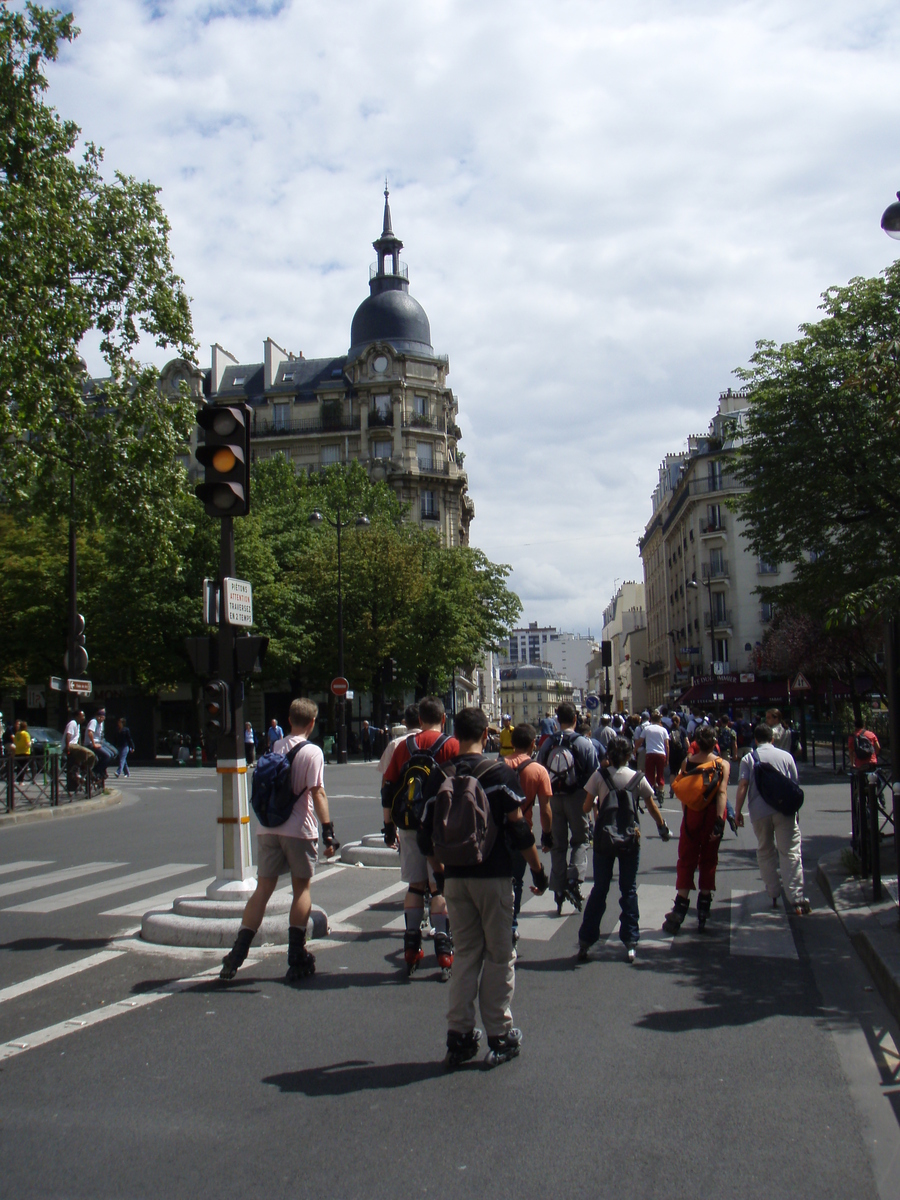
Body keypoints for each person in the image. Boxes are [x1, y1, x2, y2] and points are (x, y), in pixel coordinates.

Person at [418, 706, 549, 1068]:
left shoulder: (438, 776)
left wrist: (441, 876)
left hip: (456, 878)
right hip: (493, 875)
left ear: (456, 735)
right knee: (500, 954)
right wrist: (537, 870)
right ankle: (499, 1032)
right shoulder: (497, 774)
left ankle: (459, 1034)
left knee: (466, 955)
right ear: (486, 735)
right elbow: (519, 829)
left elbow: (425, 839)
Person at [220, 697, 339, 984]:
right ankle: (296, 955)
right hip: (299, 830)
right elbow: (317, 792)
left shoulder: (274, 747)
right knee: (301, 889)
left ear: (289, 720)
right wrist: (328, 831)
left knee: (263, 889)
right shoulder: (313, 752)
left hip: (269, 828)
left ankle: (237, 954)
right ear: (312, 722)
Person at [381, 696, 459, 978]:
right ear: (443, 718)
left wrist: (389, 825)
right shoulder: (451, 745)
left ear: (419, 720)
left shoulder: (404, 745)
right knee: (438, 887)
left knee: (415, 885)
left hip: (410, 822)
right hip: (442, 824)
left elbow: (388, 787)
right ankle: (443, 946)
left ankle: (412, 945)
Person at [577, 735, 671, 964]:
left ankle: (587, 939)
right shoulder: (637, 777)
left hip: (604, 839)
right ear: (629, 755)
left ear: (608, 755)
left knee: (600, 888)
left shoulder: (599, 776)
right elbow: (651, 806)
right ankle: (630, 940)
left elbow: (586, 806)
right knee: (628, 889)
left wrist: (600, 803)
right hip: (630, 838)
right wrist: (663, 828)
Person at [735, 723, 809, 914]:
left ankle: (773, 891)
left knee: (765, 851)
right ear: (773, 739)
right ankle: (796, 897)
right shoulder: (786, 756)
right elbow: (794, 785)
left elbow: (743, 785)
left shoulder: (748, 759)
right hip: (784, 809)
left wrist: (737, 811)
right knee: (790, 852)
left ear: (755, 739)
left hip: (759, 812)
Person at [663, 723, 729, 933]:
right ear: (715, 743)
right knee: (709, 858)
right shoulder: (722, 765)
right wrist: (719, 820)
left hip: (692, 813)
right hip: (713, 813)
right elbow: (721, 793)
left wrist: (687, 812)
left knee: (687, 858)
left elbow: (685, 792)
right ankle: (704, 904)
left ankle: (680, 906)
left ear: (696, 743)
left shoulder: (687, 763)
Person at [536, 700, 598, 914]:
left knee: (558, 844)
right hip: (578, 796)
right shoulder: (584, 743)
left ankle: (558, 890)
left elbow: (540, 768)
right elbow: (594, 774)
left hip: (553, 798)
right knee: (581, 839)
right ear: (575, 719)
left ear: (557, 720)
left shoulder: (548, 744)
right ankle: (575, 878)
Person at [504, 723, 553, 948]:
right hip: (523, 832)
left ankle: (498, 923)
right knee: (516, 880)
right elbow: (545, 809)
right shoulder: (539, 771)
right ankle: (512, 925)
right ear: (534, 744)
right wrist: (547, 835)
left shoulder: (499, 765)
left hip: (498, 830)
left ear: (512, 743)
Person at [634, 709, 669, 803]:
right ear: (659, 720)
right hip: (661, 754)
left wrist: (635, 750)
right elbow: (667, 745)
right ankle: (661, 792)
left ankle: (649, 794)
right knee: (660, 774)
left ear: (651, 719)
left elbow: (640, 741)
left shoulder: (647, 729)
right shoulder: (663, 730)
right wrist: (667, 758)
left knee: (650, 774)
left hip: (650, 753)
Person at [378, 704, 420, 776]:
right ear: (422, 721)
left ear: (405, 723)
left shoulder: (394, 744)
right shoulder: (433, 741)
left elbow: (386, 774)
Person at [63, 710, 95, 790]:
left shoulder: (78, 725)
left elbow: (77, 738)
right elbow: (68, 735)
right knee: (90, 754)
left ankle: (81, 772)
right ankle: (84, 771)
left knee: (86, 757)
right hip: (70, 745)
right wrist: (67, 747)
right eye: (82, 716)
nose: (83, 718)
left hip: (75, 745)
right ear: (77, 716)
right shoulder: (72, 723)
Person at [85, 707, 112, 785]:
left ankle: (102, 770)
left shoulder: (100, 723)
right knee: (107, 756)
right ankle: (96, 771)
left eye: (103, 718)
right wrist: (93, 744)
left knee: (112, 754)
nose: (102, 720)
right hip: (90, 744)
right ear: (97, 716)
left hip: (98, 743)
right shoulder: (93, 722)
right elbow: (90, 733)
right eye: (101, 718)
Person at [667, 715, 688, 797]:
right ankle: (680, 787)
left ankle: (672, 788)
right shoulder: (682, 730)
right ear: (679, 721)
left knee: (672, 771)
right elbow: (687, 742)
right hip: (681, 752)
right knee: (681, 770)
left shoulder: (669, 730)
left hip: (672, 752)